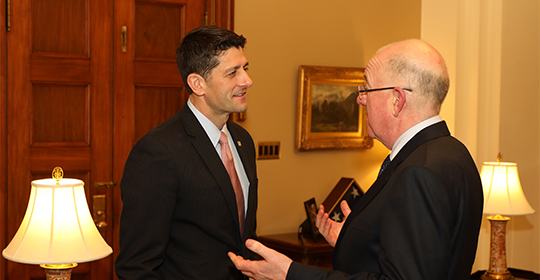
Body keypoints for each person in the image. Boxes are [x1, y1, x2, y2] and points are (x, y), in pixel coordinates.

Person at [228, 39, 484, 280]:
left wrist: (290, 273)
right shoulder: (454, 153)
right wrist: (356, 241)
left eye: (366, 88)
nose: (360, 99)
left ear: (397, 100)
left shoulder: (418, 173)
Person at [115, 25, 259, 279]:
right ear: (197, 84)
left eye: (245, 68)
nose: (247, 80)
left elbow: (242, 237)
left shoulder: (243, 141)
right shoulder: (158, 152)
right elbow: (136, 267)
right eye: (232, 73)